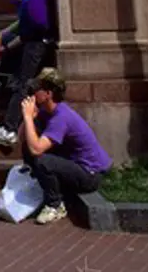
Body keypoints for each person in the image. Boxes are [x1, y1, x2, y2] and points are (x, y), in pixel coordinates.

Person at [20, 68, 112, 224]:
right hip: (73, 163)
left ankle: (55, 206)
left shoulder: (61, 117)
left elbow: (37, 149)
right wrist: (27, 118)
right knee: (28, 147)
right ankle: (46, 187)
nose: (33, 93)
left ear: (48, 94)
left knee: (43, 161)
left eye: (37, 89)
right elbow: (22, 139)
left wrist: (29, 118)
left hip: (89, 174)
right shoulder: (46, 111)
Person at [0, 0, 52, 146]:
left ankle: (9, 129)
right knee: (12, 71)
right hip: (31, 42)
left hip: (34, 45)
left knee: (23, 85)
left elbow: (34, 26)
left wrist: (7, 46)